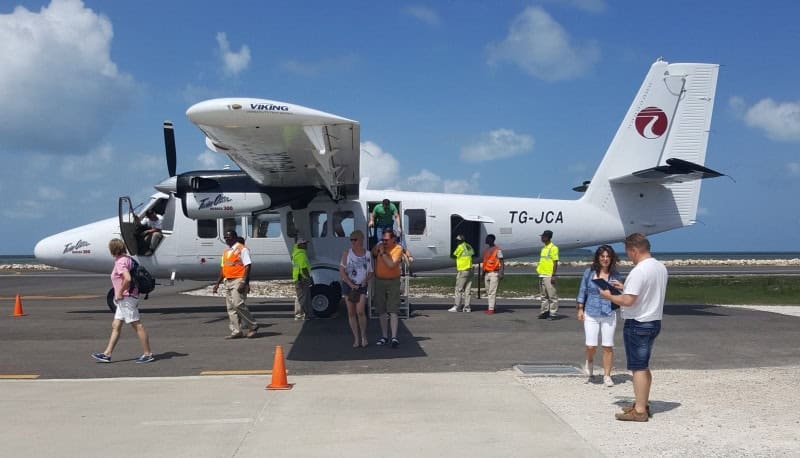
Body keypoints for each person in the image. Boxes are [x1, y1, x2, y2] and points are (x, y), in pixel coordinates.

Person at [600, 233, 667, 422]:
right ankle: (642, 403)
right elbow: (645, 292)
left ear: (634, 250)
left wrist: (609, 296)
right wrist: (624, 287)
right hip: (654, 320)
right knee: (644, 366)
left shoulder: (639, 271)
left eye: (628, 252)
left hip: (638, 322)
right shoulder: (659, 267)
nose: (628, 256)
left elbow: (628, 301)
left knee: (638, 368)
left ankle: (639, 410)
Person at [91, 239, 154, 363]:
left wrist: (119, 293)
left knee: (137, 325)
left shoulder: (121, 262)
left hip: (126, 298)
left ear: (112, 250)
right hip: (127, 298)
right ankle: (107, 354)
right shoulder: (128, 259)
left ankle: (148, 354)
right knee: (116, 325)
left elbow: (127, 278)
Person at [576, 245, 622, 387]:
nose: (605, 259)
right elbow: (582, 290)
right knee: (591, 345)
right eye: (602, 256)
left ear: (611, 258)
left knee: (608, 345)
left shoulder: (616, 275)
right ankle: (589, 361)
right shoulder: (589, 273)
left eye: (608, 256)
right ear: (598, 258)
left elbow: (621, 295)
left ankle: (607, 375)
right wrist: (580, 308)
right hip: (591, 311)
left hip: (609, 312)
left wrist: (622, 287)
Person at [212, 230, 259, 339]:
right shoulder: (226, 252)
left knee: (238, 304)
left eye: (229, 237)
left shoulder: (242, 249)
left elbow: (248, 265)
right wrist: (217, 284)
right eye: (225, 237)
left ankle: (253, 325)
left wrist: (244, 281)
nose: (227, 239)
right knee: (231, 308)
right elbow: (223, 269)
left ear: (235, 237)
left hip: (238, 279)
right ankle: (236, 331)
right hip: (227, 281)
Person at [339, 230, 373, 347]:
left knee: (360, 311)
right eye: (351, 240)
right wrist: (350, 283)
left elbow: (370, 272)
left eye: (355, 239)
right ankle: (356, 338)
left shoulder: (367, 254)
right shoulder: (346, 253)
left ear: (361, 240)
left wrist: (365, 281)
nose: (352, 242)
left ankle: (364, 336)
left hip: (361, 286)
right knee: (351, 312)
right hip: (349, 285)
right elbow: (342, 271)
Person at [371, 229, 403, 348]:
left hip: (393, 281)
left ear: (393, 239)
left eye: (386, 240)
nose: (383, 242)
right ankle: (384, 336)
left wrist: (383, 252)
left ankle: (394, 337)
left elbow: (391, 264)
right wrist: (377, 248)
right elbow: (373, 253)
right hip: (379, 280)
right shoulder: (380, 246)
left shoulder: (398, 249)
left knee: (393, 309)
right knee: (382, 309)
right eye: (382, 239)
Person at [536, 230, 560, 320]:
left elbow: (555, 262)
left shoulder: (553, 248)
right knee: (543, 296)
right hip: (542, 275)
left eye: (543, 236)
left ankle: (553, 313)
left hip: (549, 275)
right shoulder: (544, 248)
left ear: (548, 237)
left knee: (552, 295)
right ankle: (544, 312)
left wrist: (553, 275)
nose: (541, 238)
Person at [449, 234, 474, 312]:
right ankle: (467, 307)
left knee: (458, 289)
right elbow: (472, 253)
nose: (456, 241)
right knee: (467, 289)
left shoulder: (460, 247)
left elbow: (454, 255)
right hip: (470, 269)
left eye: (457, 240)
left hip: (463, 270)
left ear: (459, 241)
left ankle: (457, 306)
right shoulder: (468, 245)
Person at [291, 238, 313, 320]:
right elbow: (304, 268)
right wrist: (309, 278)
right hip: (302, 278)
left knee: (299, 296)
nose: (306, 245)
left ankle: (298, 314)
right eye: (304, 244)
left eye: (306, 243)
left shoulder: (295, 253)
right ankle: (302, 314)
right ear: (299, 245)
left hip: (297, 277)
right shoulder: (301, 254)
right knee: (303, 297)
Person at [482, 234, 504, 315]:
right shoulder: (487, 250)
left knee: (492, 291)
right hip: (487, 273)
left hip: (494, 273)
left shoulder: (497, 250)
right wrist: (483, 274)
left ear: (491, 240)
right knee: (488, 291)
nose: (486, 240)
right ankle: (493, 306)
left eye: (487, 238)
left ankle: (490, 309)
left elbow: (501, 261)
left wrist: (501, 272)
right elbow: (485, 263)